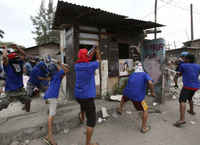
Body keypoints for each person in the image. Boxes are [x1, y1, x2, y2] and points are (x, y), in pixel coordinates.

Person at [117, 62, 156, 133]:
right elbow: (150, 83)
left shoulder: (132, 74)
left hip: (127, 93)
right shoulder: (144, 74)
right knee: (145, 110)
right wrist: (152, 92)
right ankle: (144, 128)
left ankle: (120, 109)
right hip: (137, 96)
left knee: (124, 98)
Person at [74, 47, 101, 145]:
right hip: (87, 97)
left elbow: (85, 58)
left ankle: (82, 119)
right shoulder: (91, 65)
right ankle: (88, 143)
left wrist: (91, 51)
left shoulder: (76, 66)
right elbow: (99, 60)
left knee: (83, 107)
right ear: (86, 56)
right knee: (92, 120)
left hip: (78, 95)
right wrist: (97, 51)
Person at [42, 62, 69, 145]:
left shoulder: (55, 76)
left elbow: (64, 72)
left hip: (48, 95)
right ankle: (50, 137)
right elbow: (67, 69)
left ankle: (47, 136)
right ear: (56, 69)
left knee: (51, 115)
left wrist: (58, 65)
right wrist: (59, 63)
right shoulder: (57, 74)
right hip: (52, 97)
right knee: (51, 116)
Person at [2, 45, 31, 112]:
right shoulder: (7, 65)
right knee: (3, 104)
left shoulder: (19, 63)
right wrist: (5, 49)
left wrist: (18, 48)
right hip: (10, 90)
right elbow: (4, 57)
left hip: (20, 88)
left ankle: (27, 113)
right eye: (16, 58)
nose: (18, 59)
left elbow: (25, 55)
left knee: (28, 100)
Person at [174, 54, 200, 127]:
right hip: (196, 86)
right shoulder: (198, 66)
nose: (184, 59)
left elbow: (178, 75)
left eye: (185, 58)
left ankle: (182, 119)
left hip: (187, 86)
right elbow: (196, 74)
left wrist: (176, 82)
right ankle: (191, 111)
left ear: (188, 59)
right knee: (190, 97)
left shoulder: (183, 65)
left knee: (182, 100)